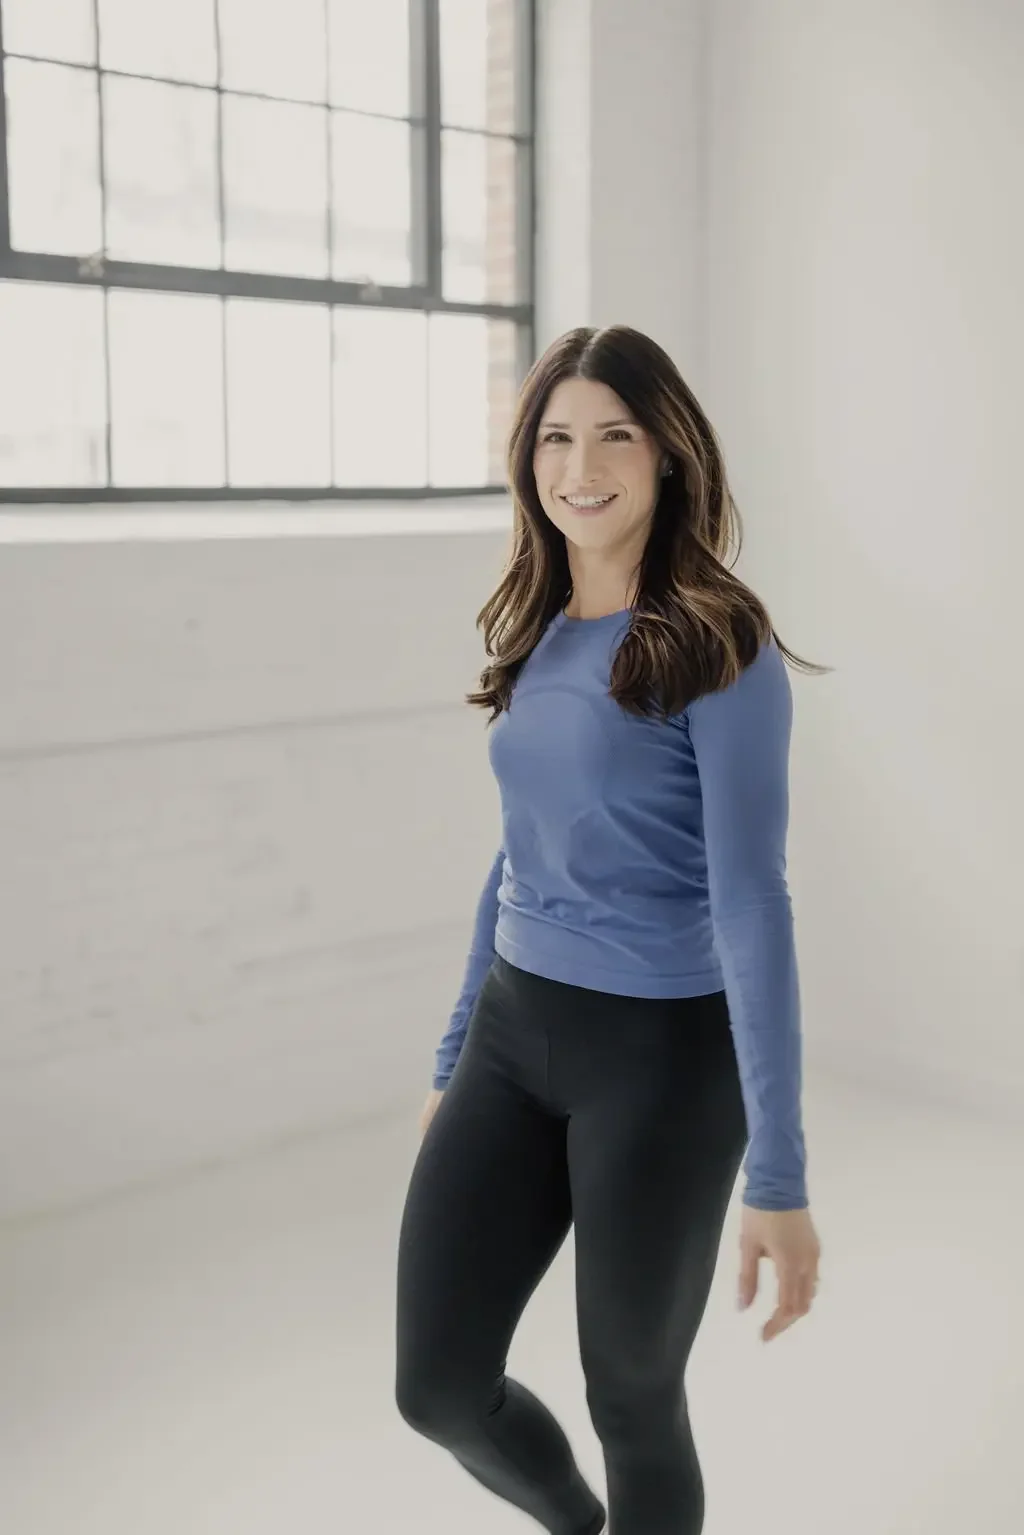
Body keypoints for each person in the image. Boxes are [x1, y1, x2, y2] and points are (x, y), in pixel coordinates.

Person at [394, 324, 822, 1535]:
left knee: (632, 1394)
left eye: (615, 434)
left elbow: (753, 900)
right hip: (513, 1037)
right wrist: (450, 1054)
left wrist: (780, 1175)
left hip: (662, 1064)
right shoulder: (537, 627)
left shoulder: (720, 644)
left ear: (670, 453)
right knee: (435, 1386)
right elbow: (516, 851)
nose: (581, 464)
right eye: (555, 436)